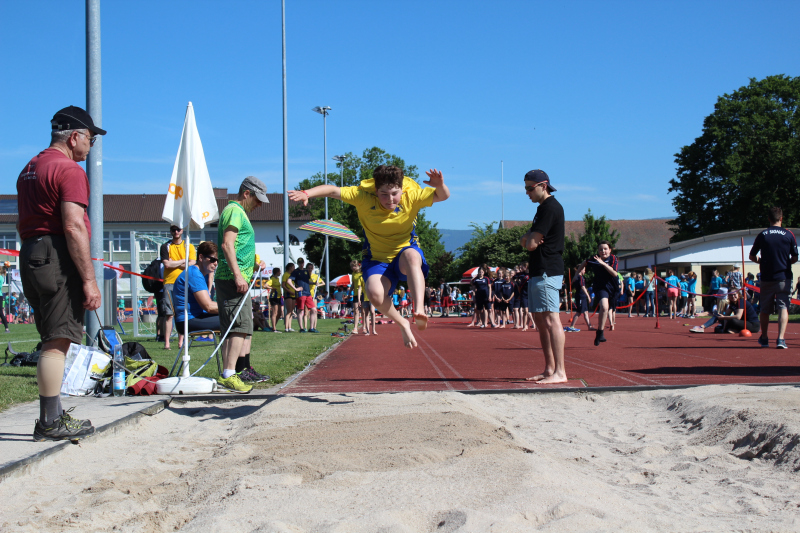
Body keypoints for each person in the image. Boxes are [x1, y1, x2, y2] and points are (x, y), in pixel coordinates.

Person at [289, 165, 450, 348]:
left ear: (402, 189)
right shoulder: (363, 197)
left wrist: (440, 185)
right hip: (377, 258)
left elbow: (442, 196)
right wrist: (307, 193)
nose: (390, 199)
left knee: (412, 256)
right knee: (374, 294)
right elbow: (333, 191)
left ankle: (419, 309)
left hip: (404, 252)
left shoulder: (411, 195)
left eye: (394, 194)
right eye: (384, 194)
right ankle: (403, 323)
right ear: (375, 190)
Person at [18, 105, 105, 441]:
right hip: (56, 254)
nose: (91, 146)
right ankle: (49, 421)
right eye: (91, 139)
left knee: (50, 337)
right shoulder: (68, 170)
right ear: (74, 137)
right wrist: (89, 280)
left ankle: (51, 416)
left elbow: (27, 220)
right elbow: (73, 226)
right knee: (58, 340)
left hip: (32, 251)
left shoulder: (30, 167)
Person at [215, 176, 270, 393]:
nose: (259, 205)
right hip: (232, 280)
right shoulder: (235, 211)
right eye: (257, 200)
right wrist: (238, 275)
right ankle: (229, 374)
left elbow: (235, 247)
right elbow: (227, 244)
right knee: (238, 326)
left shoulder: (237, 212)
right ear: (246, 193)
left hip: (235, 278)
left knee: (238, 326)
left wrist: (252, 265)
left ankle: (230, 373)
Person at [520, 169, 567, 384]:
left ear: (543, 186)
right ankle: (550, 368)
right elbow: (529, 241)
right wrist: (528, 238)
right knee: (539, 320)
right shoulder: (542, 209)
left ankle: (560, 371)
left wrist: (528, 238)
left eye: (530, 188)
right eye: (526, 188)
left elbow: (530, 244)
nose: (527, 192)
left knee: (550, 319)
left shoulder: (550, 208)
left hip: (548, 269)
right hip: (539, 270)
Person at [749, 206, 798, 349]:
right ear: (781, 218)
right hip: (784, 276)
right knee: (783, 307)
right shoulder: (789, 234)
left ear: (769, 218)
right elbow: (795, 257)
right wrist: (786, 262)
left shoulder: (763, 235)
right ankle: (781, 339)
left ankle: (764, 338)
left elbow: (752, 256)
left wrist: (761, 261)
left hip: (766, 277)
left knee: (765, 309)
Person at [160, 225, 196, 350]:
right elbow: (167, 264)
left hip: (184, 282)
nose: (176, 232)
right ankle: (167, 343)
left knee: (182, 313)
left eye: (178, 229)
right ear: (170, 231)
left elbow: (192, 263)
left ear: (182, 230)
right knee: (169, 314)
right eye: (173, 230)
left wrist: (174, 262)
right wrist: (183, 261)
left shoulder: (189, 246)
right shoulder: (165, 246)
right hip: (169, 282)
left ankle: (181, 342)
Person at [576, 241, 619, 345]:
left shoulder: (613, 258)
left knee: (610, 309)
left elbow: (614, 273)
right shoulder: (595, 259)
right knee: (604, 307)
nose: (603, 251)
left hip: (612, 288)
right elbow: (585, 262)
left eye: (605, 249)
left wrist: (603, 264)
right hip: (600, 287)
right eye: (600, 249)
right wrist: (576, 274)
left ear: (610, 250)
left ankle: (599, 331)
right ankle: (601, 332)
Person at [565, 265, 592, 332]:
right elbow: (583, 287)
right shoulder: (580, 277)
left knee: (586, 312)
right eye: (584, 270)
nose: (585, 271)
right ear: (581, 270)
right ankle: (572, 326)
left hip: (582, 296)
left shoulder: (577, 277)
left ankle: (589, 326)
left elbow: (572, 283)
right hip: (580, 296)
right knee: (579, 312)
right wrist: (588, 296)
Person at [306, 262, 324, 332]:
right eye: (308, 268)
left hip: (313, 295)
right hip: (306, 294)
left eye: (311, 268)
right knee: (306, 312)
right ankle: (305, 327)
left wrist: (317, 285)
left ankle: (314, 326)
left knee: (314, 311)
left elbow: (323, 283)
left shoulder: (315, 276)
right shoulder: (305, 275)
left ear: (313, 268)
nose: (310, 269)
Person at [281, 262, 296, 332]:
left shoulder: (292, 275)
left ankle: (290, 327)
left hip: (293, 294)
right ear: (290, 267)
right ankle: (286, 327)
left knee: (291, 311)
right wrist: (289, 291)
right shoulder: (285, 274)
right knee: (289, 311)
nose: (294, 268)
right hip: (288, 294)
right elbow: (283, 285)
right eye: (293, 267)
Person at [267, 267, 283, 333]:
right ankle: (274, 329)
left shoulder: (277, 279)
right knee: (275, 313)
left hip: (279, 297)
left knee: (279, 313)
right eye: (279, 271)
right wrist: (272, 288)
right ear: (277, 272)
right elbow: (265, 285)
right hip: (274, 297)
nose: (280, 273)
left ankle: (273, 326)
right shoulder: (272, 279)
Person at [0, 263, 10, 333]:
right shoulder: (1, 277)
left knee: (0, 312)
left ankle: (7, 328)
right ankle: (6, 328)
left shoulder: (0, 277)